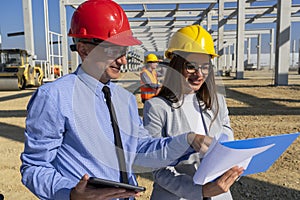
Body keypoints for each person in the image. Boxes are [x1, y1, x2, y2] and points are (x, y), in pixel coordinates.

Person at [19, 1, 233, 200]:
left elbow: (142, 149)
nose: (122, 59)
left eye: (124, 50)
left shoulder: (124, 99)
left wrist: (187, 141)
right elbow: (34, 167)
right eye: (114, 50)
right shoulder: (54, 96)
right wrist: (71, 194)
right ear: (84, 50)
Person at [143, 25, 243, 200]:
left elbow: (227, 147)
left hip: (219, 195)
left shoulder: (217, 102)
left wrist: (234, 168)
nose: (199, 74)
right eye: (191, 66)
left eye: (205, 67)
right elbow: (158, 168)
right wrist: (201, 192)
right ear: (175, 66)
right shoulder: (157, 108)